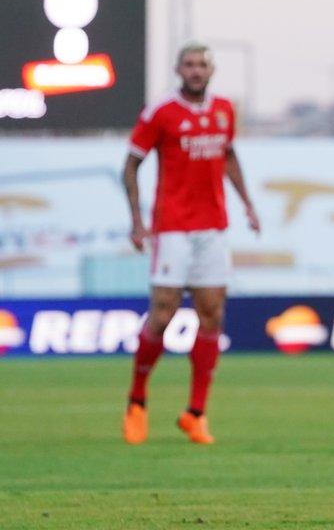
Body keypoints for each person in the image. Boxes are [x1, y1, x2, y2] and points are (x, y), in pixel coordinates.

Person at [121, 42, 260, 446]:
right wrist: (136, 221)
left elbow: (229, 156)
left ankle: (195, 413)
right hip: (172, 229)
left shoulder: (224, 109)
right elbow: (130, 165)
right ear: (178, 70)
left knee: (212, 315)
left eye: (202, 64)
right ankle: (137, 402)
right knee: (162, 316)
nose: (196, 71)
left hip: (212, 227)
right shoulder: (160, 113)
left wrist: (248, 205)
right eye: (189, 65)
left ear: (211, 70)